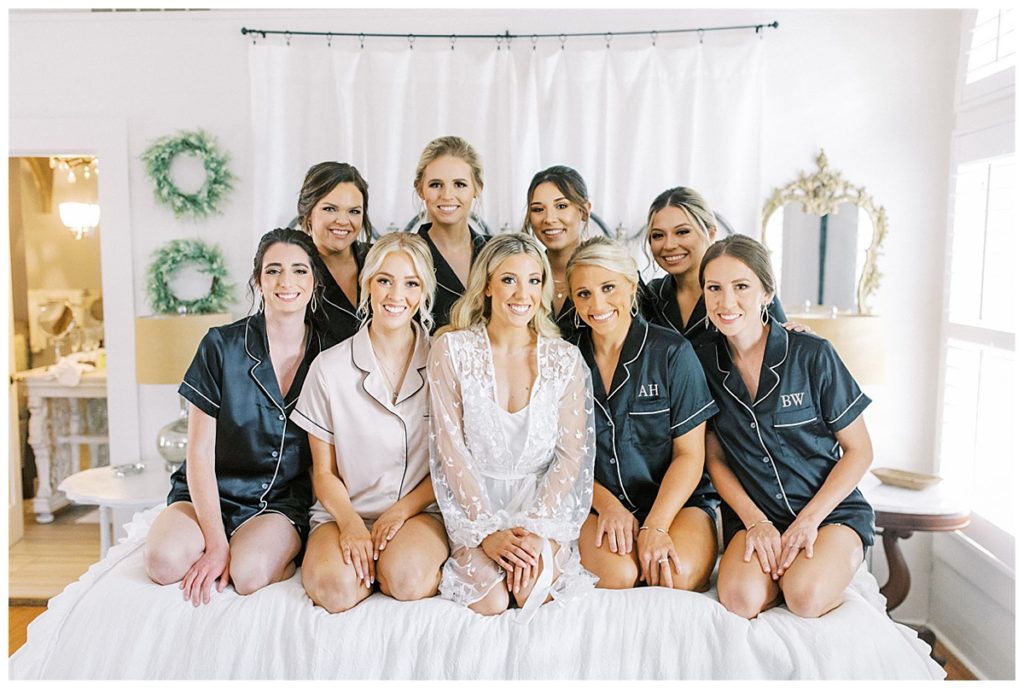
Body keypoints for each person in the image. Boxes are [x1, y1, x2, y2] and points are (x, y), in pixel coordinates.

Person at [696, 234, 874, 619]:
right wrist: (756, 521)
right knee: (739, 598)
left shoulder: (812, 354)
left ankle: (808, 573)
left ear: (766, 292)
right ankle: (781, 572)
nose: (726, 302)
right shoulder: (700, 362)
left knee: (805, 597)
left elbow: (860, 450)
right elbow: (715, 459)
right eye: (715, 288)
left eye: (741, 286)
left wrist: (808, 522)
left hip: (830, 514)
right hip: (756, 516)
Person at [144, 228, 324, 605]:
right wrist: (216, 543)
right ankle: (225, 541)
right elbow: (197, 454)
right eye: (273, 270)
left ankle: (286, 550)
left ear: (315, 280)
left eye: (299, 271)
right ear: (258, 280)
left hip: (279, 501)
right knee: (163, 562)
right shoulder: (220, 346)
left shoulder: (330, 354)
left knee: (250, 574)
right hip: (208, 493)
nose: (286, 281)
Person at [428, 233, 596, 619]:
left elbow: (571, 457)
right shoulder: (451, 350)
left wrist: (535, 532)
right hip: (473, 507)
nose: (523, 293)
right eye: (509, 279)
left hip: (541, 508)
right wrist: (487, 531)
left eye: (534, 280)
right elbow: (449, 449)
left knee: (529, 591)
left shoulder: (564, 359)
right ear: (487, 284)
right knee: (491, 599)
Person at [292, 232, 449, 612]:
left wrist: (400, 512)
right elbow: (323, 472)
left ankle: (394, 564)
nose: (397, 296)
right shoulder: (328, 368)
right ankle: (365, 566)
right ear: (367, 285)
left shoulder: (446, 362)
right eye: (385, 280)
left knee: (408, 580)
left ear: (425, 291)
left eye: (411, 283)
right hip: (344, 511)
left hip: (417, 511)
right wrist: (349, 525)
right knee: (335, 590)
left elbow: (450, 466)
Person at [566, 237, 719, 591]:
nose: (598, 303)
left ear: (631, 286)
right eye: (584, 293)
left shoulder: (671, 353)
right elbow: (562, 458)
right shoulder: (565, 357)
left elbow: (690, 455)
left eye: (608, 287)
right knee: (619, 576)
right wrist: (607, 506)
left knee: (671, 576)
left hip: (677, 504)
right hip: (596, 500)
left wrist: (656, 526)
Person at [644, 187, 786, 348]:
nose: (669, 245)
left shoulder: (750, 292)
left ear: (711, 234)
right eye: (658, 235)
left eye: (682, 232)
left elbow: (784, 350)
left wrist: (798, 334)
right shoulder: (651, 296)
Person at [413, 136, 489, 333]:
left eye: (460, 184)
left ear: (477, 188)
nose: (447, 195)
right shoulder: (407, 257)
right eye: (436, 184)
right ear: (420, 189)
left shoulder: (497, 253)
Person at [296, 161, 374, 347]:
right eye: (330, 209)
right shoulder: (293, 269)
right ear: (308, 213)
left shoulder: (377, 259)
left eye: (354, 211)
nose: (343, 221)